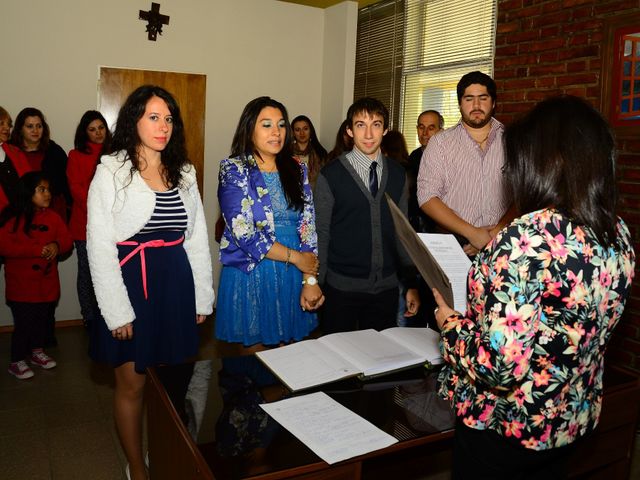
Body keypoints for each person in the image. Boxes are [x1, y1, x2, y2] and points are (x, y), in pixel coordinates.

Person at [432, 95, 636, 479]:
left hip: (508, 426)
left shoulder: (526, 238)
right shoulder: (617, 230)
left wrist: (450, 324)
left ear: (542, 162)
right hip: (571, 419)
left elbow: (501, 366)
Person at [87, 85, 214, 480]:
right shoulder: (111, 171)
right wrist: (116, 311)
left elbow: (195, 238)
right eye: (153, 117)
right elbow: (99, 245)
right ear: (134, 121)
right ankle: (138, 468)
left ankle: (166, 455)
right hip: (131, 286)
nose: (163, 127)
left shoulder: (185, 172)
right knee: (133, 387)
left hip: (175, 284)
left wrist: (200, 298)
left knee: (169, 388)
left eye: (169, 119)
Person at [216, 96, 322, 352]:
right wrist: (296, 258)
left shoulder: (297, 168)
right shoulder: (234, 169)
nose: (277, 132)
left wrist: (310, 279)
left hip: (293, 274)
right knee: (256, 364)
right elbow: (244, 233)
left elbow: (308, 224)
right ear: (249, 129)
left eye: (281, 124)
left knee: (292, 363)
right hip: (252, 271)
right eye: (266, 125)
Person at [314, 97, 420, 334]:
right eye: (361, 125)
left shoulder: (397, 174)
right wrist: (316, 283)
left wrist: (411, 283)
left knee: (381, 362)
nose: (369, 133)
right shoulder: (330, 175)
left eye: (376, 124)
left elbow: (403, 232)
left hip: (386, 288)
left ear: (386, 129)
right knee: (339, 360)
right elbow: (321, 233)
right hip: (341, 288)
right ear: (350, 130)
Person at [417, 72, 513, 256]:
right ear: (460, 104)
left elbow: (525, 193)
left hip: (504, 244)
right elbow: (427, 196)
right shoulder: (440, 143)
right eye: (469, 99)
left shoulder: (514, 141)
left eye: (483, 98)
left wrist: (494, 233)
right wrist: (473, 233)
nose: (476, 105)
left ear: (493, 103)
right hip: (454, 246)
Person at [0, 172, 72, 379]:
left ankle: (37, 352)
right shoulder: (12, 217)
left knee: (42, 320)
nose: (47, 194)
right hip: (21, 284)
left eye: (48, 189)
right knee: (24, 324)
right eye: (41, 190)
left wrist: (56, 246)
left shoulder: (53, 217)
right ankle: (16, 360)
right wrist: (37, 248)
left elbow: (66, 240)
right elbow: (5, 245)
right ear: (27, 193)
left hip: (47, 282)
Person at [67, 110, 112, 330]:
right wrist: (98, 210)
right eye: (92, 129)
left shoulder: (116, 154)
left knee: (110, 271)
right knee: (86, 272)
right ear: (85, 133)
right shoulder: (75, 155)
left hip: (113, 226)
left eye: (101, 128)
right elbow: (76, 189)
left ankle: (109, 314)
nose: (98, 133)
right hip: (83, 225)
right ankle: (89, 316)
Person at [10, 107, 71, 223]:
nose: (35, 130)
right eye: (30, 126)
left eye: (39, 126)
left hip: (51, 212)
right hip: (18, 213)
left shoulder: (55, 151)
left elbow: (65, 184)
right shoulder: (9, 151)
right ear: (20, 129)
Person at [407, 110, 443, 233]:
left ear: (441, 130)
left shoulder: (450, 157)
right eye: (421, 127)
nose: (425, 133)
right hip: (415, 225)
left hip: (441, 226)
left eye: (431, 128)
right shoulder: (413, 156)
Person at [291, 115, 327, 186]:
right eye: (297, 130)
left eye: (305, 129)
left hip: (316, 194)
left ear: (311, 130)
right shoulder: (287, 154)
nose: (302, 133)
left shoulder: (320, 153)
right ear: (293, 133)